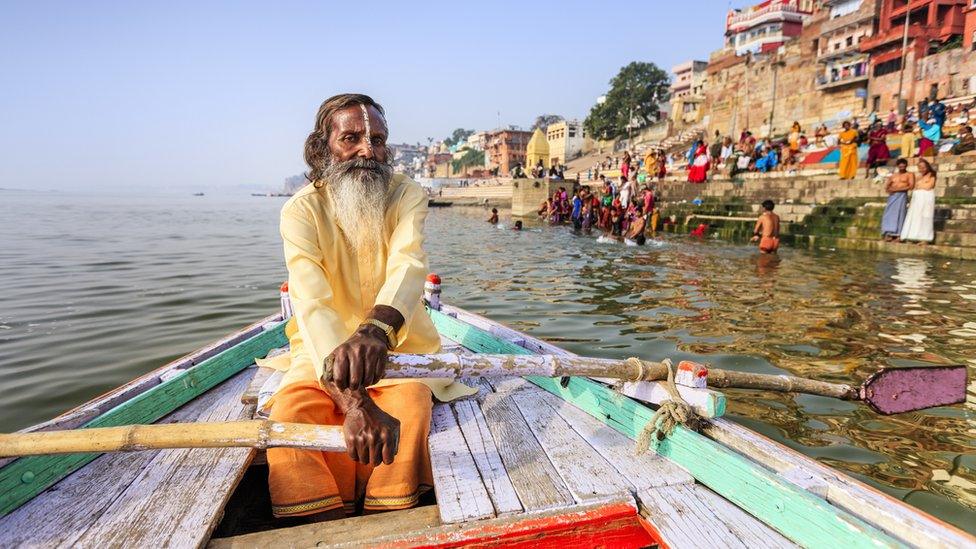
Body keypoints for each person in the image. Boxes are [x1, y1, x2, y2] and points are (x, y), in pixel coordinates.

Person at [270, 94, 473, 521]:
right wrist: (356, 403)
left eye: (377, 140)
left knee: (411, 408)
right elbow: (310, 301)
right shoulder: (300, 210)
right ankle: (320, 521)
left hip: (399, 348)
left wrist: (376, 331)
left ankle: (388, 515)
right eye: (352, 138)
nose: (368, 150)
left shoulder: (406, 194)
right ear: (322, 148)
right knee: (290, 416)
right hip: (319, 351)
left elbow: (409, 263)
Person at [899, 159, 936, 244]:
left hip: (927, 199)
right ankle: (913, 236)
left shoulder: (932, 174)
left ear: (927, 167)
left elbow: (929, 186)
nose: (922, 169)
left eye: (923, 167)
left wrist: (920, 186)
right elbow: (915, 186)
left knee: (926, 217)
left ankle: (925, 239)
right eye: (920, 167)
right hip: (917, 199)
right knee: (915, 217)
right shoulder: (918, 176)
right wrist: (920, 186)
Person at [881, 158, 914, 242]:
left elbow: (911, 186)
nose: (902, 166)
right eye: (900, 164)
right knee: (889, 214)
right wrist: (889, 190)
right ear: (898, 165)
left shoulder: (909, 174)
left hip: (902, 196)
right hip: (892, 197)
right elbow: (887, 186)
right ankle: (888, 233)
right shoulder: (893, 175)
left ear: (906, 165)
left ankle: (898, 235)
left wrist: (896, 190)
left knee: (900, 214)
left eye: (903, 164)